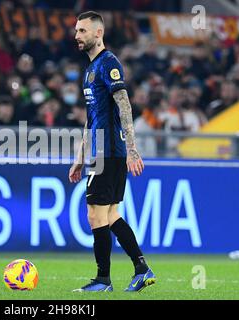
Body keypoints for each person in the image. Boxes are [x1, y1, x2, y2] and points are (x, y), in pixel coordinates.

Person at [68, 11, 156, 293]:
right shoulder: (89, 70)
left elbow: (125, 106)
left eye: (82, 31)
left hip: (109, 151)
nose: (77, 36)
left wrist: (132, 150)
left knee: (95, 215)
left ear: (98, 33)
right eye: (77, 31)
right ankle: (141, 268)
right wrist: (80, 158)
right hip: (99, 151)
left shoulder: (108, 63)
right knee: (110, 215)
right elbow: (90, 119)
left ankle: (103, 279)